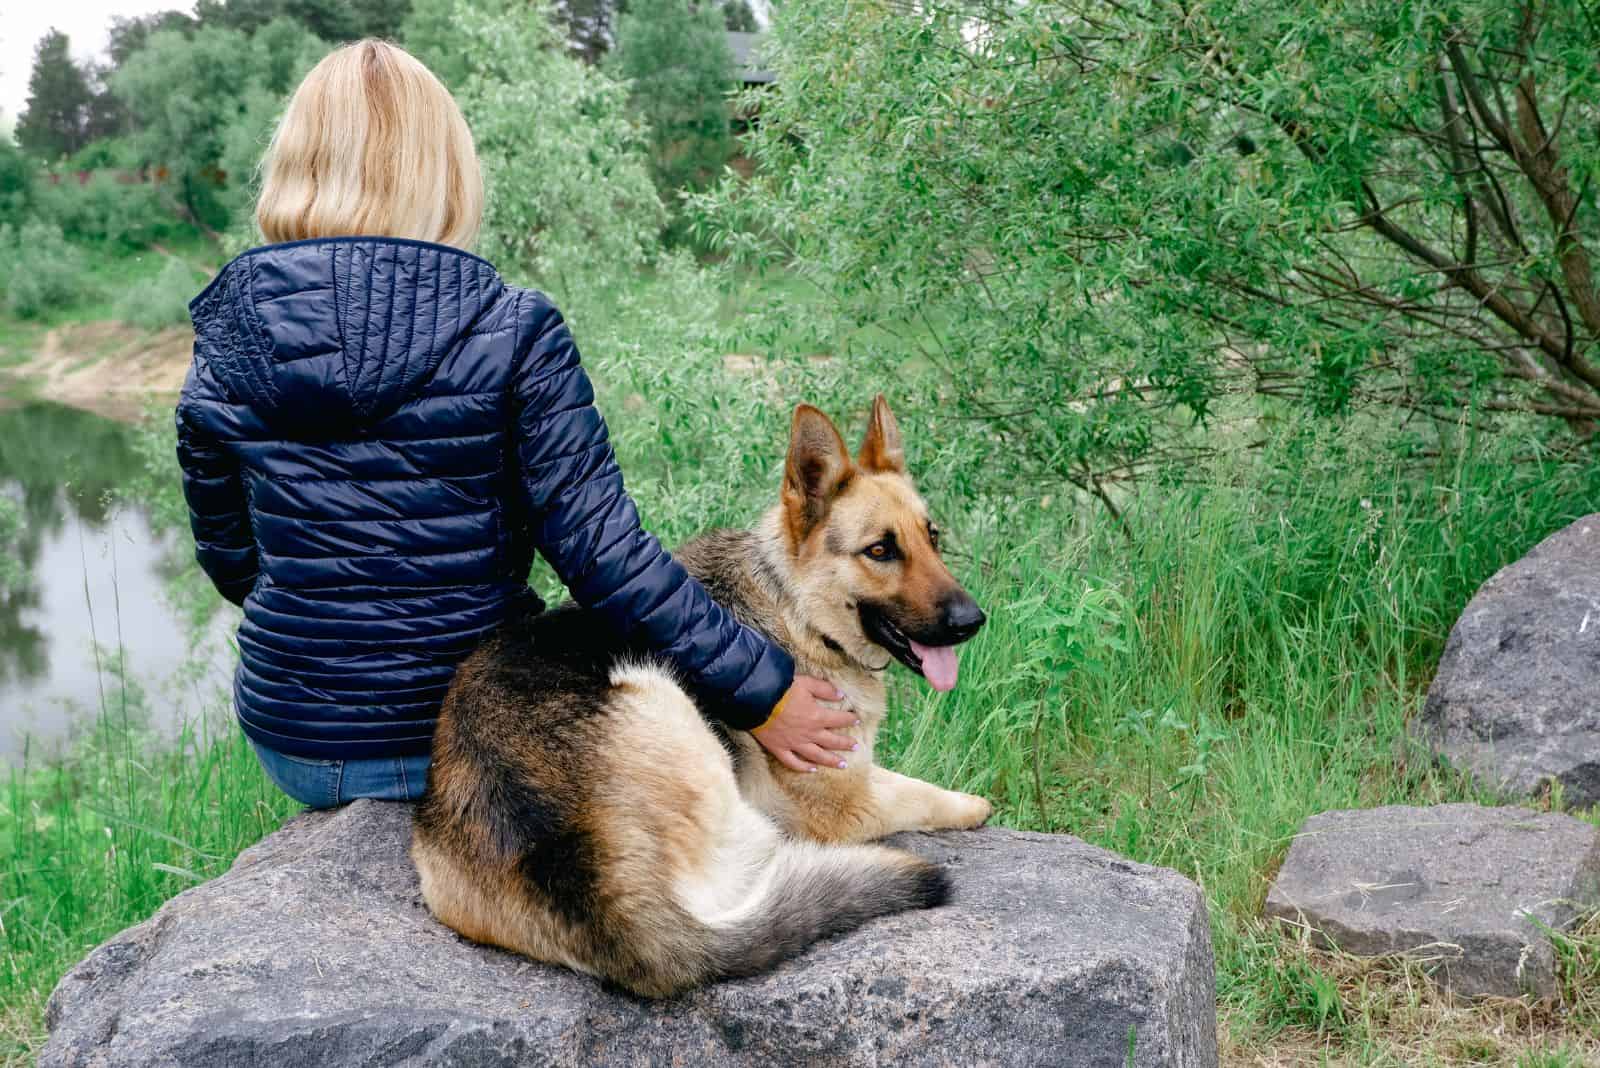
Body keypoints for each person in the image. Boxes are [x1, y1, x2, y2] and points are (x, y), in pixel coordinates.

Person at [176, 39, 854, 808]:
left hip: (295, 737)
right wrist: (761, 690)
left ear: (295, 164)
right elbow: (605, 557)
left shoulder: (228, 336)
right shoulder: (511, 326)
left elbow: (231, 558)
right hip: (478, 738)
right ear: (444, 169)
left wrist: (327, 629)